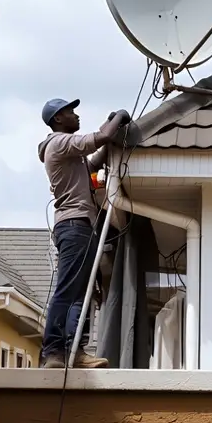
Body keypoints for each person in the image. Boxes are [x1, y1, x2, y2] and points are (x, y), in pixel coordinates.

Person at [37, 97, 130, 369]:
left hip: (81, 226)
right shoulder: (58, 142)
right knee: (68, 291)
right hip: (74, 225)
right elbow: (99, 137)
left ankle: (74, 351)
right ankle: (53, 351)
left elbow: (91, 163)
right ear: (57, 119)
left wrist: (111, 136)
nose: (76, 116)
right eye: (70, 112)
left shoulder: (69, 153)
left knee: (80, 294)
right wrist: (119, 116)